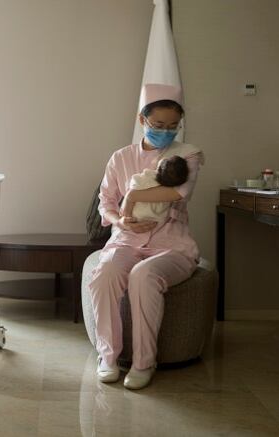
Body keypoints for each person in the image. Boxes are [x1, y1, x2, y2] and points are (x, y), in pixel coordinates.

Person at [90, 83, 203, 390]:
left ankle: (143, 363)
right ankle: (108, 357)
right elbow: (106, 203)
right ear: (142, 120)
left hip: (172, 247)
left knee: (143, 275)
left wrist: (135, 195)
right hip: (126, 240)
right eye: (158, 125)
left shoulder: (187, 154)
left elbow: (180, 191)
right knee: (106, 272)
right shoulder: (121, 158)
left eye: (172, 127)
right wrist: (121, 218)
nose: (165, 132)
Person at [122, 155, 190, 224]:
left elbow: (134, 183)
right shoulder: (168, 190)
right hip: (155, 220)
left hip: (135, 216)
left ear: (160, 167)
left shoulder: (148, 176)